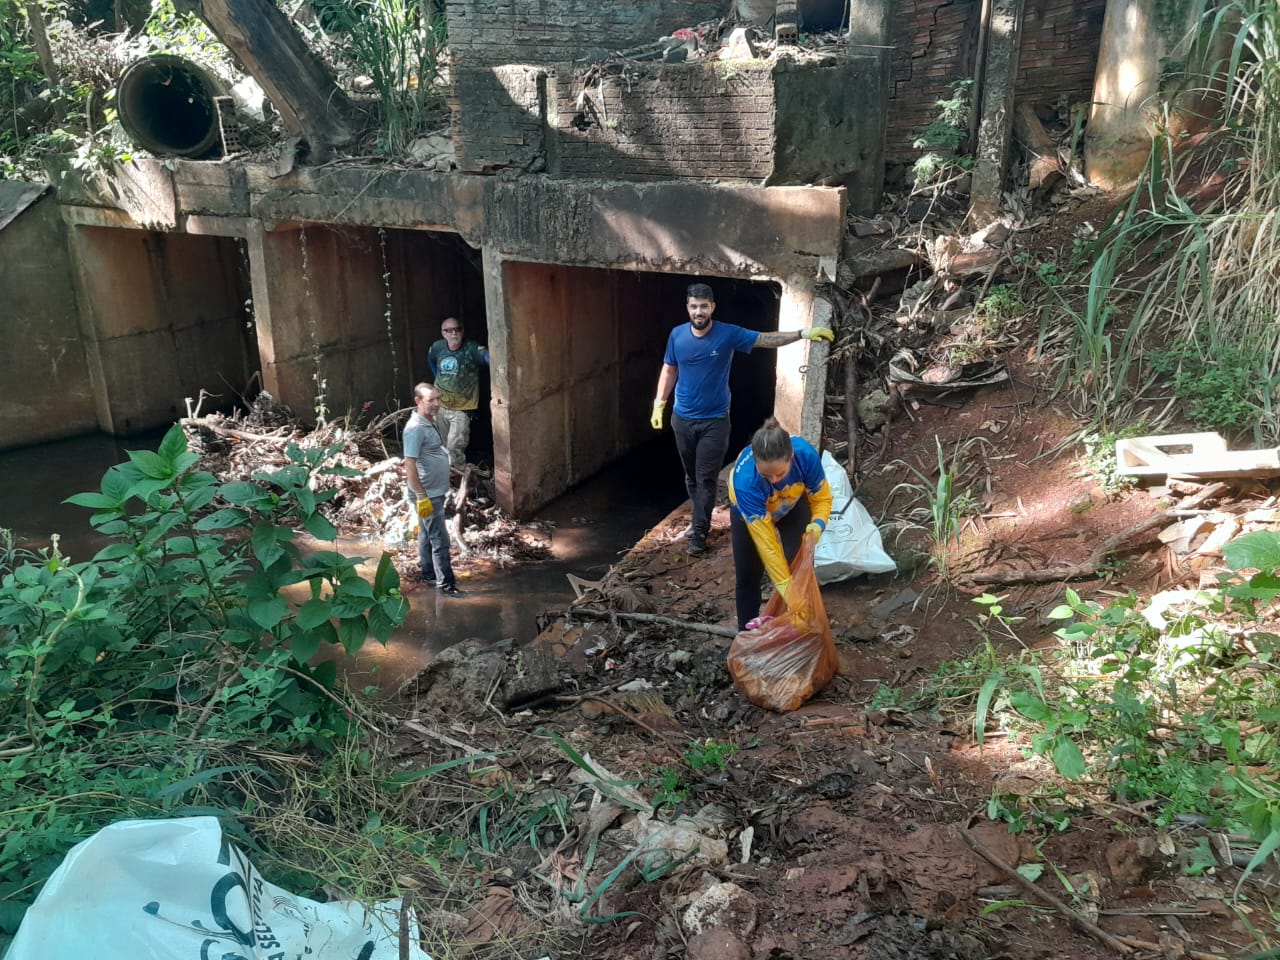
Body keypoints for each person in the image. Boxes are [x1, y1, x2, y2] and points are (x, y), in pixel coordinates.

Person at [651, 282, 834, 555]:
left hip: (715, 420)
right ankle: (699, 518)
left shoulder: (728, 333)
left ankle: (699, 532)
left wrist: (803, 333)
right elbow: (669, 368)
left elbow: (765, 339)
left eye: (703, 306)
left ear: (712, 307)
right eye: (694, 306)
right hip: (682, 418)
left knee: (705, 477)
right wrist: (659, 403)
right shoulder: (677, 336)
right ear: (687, 308)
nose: (699, 311)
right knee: (691, 476)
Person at [727, 417, 832, 632]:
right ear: (756, 462)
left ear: (791, 456)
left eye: (781, 473)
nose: (774, 480)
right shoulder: (745, 481)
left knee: (800, 566)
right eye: (766, 475)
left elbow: (821, 498)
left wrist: (818, 524)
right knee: (748, 576)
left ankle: (802, 627)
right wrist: (786, 590)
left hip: (791, 504)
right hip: (748, 512)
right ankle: (745, 636)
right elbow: (768, 545)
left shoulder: (806, 456)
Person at [403, 383, 461, 595]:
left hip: (434, 491)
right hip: (428, 494)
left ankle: (428, 574)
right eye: (431, 400)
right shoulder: (415, 429)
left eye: (438, 399)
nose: (437, 404)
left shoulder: (428, 422)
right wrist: (421, 496)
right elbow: (409, 464)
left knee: (427, 534)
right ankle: (446, 586)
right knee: (440, 539)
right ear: (418, 401)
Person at [427, 317, 490, 468]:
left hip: (462, 408)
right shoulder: (437, 347)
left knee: (454, 447)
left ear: (463, 331)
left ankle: (458, 476)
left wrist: (493, 358)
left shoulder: (472, 348)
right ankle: (446, 474)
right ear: (443, 334)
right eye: (449, 330)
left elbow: (487, 357)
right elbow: (430, 359)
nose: (454, 333)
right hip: (440, 405)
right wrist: (437, 377)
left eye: (458, 329)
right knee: (443, 445)